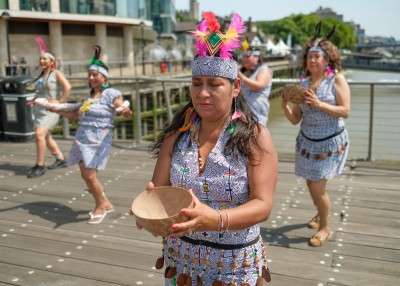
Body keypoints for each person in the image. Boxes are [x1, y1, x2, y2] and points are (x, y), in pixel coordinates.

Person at [135, 12, 278, 285]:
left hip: (234, 264)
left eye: (214, 85)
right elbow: (160, 190)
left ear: (236, 87)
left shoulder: (255, 137)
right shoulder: (177, 136)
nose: (203, 93)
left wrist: (214, 219)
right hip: (182, 260)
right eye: (197, 83)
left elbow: (263, 205)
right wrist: (151, 210)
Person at [281, 21, 350, 247]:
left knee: (318, 187)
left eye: (317, 57)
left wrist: (319, 104)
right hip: (307, 143)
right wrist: (284, 105)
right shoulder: (303, 84)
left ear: (327, 60)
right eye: (309, 56)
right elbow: (295, 120)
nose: (312, 60)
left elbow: (345, 111)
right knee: (312, 186)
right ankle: (321, 213)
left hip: (329, 143)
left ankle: (325, 227)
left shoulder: (336, 80)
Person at [51, 46, 132, 224]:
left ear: (104, 77)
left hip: (98, 140)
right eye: (89, 74)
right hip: (82, 139)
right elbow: (75, 116)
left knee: (89, 176)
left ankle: (100, 207)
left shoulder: (110, 93)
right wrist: (56, 110)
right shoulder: (89, 99)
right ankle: (106, 202)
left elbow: (120, 107)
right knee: (85, 175)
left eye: (95, 74)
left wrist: (125, 111)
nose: (91, 77)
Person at [28, 37, 71, 178]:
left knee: (39, 134)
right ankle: (60, 158)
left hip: (51, 110)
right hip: (39, 109)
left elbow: (67, 87)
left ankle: (39, 165)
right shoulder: (40, 75)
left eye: (44, 59)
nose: (41, 61)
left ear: (51, 61)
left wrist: (60, 101)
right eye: (40, 59)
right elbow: (39, 91)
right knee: (46, 137)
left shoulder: (55, 73)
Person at [238, 41, 273, 126]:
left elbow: (259, 86)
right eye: (243, 56)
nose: (244, 59)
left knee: (256, 135)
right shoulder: (242, 70)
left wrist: (241, 77)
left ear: (256, 57)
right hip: (242, 110)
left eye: (247, 56)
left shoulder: (264, 69)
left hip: (257, 112)